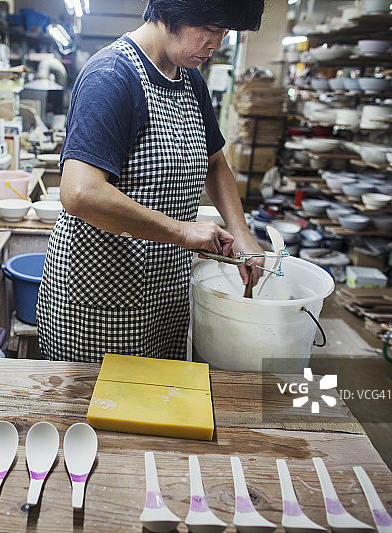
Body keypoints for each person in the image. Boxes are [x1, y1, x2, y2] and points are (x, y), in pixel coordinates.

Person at [36, 0, 266, 363]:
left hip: (161, 291)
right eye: (210, 30)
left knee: (154, 402)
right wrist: (181, 231)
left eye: (225, 33)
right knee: (101, 412)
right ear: (169, 13)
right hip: (101, 295)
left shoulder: (188, 77)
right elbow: (80, 193)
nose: (217, 43)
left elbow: (215, 161)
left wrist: (241, 232)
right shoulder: (111, 76)